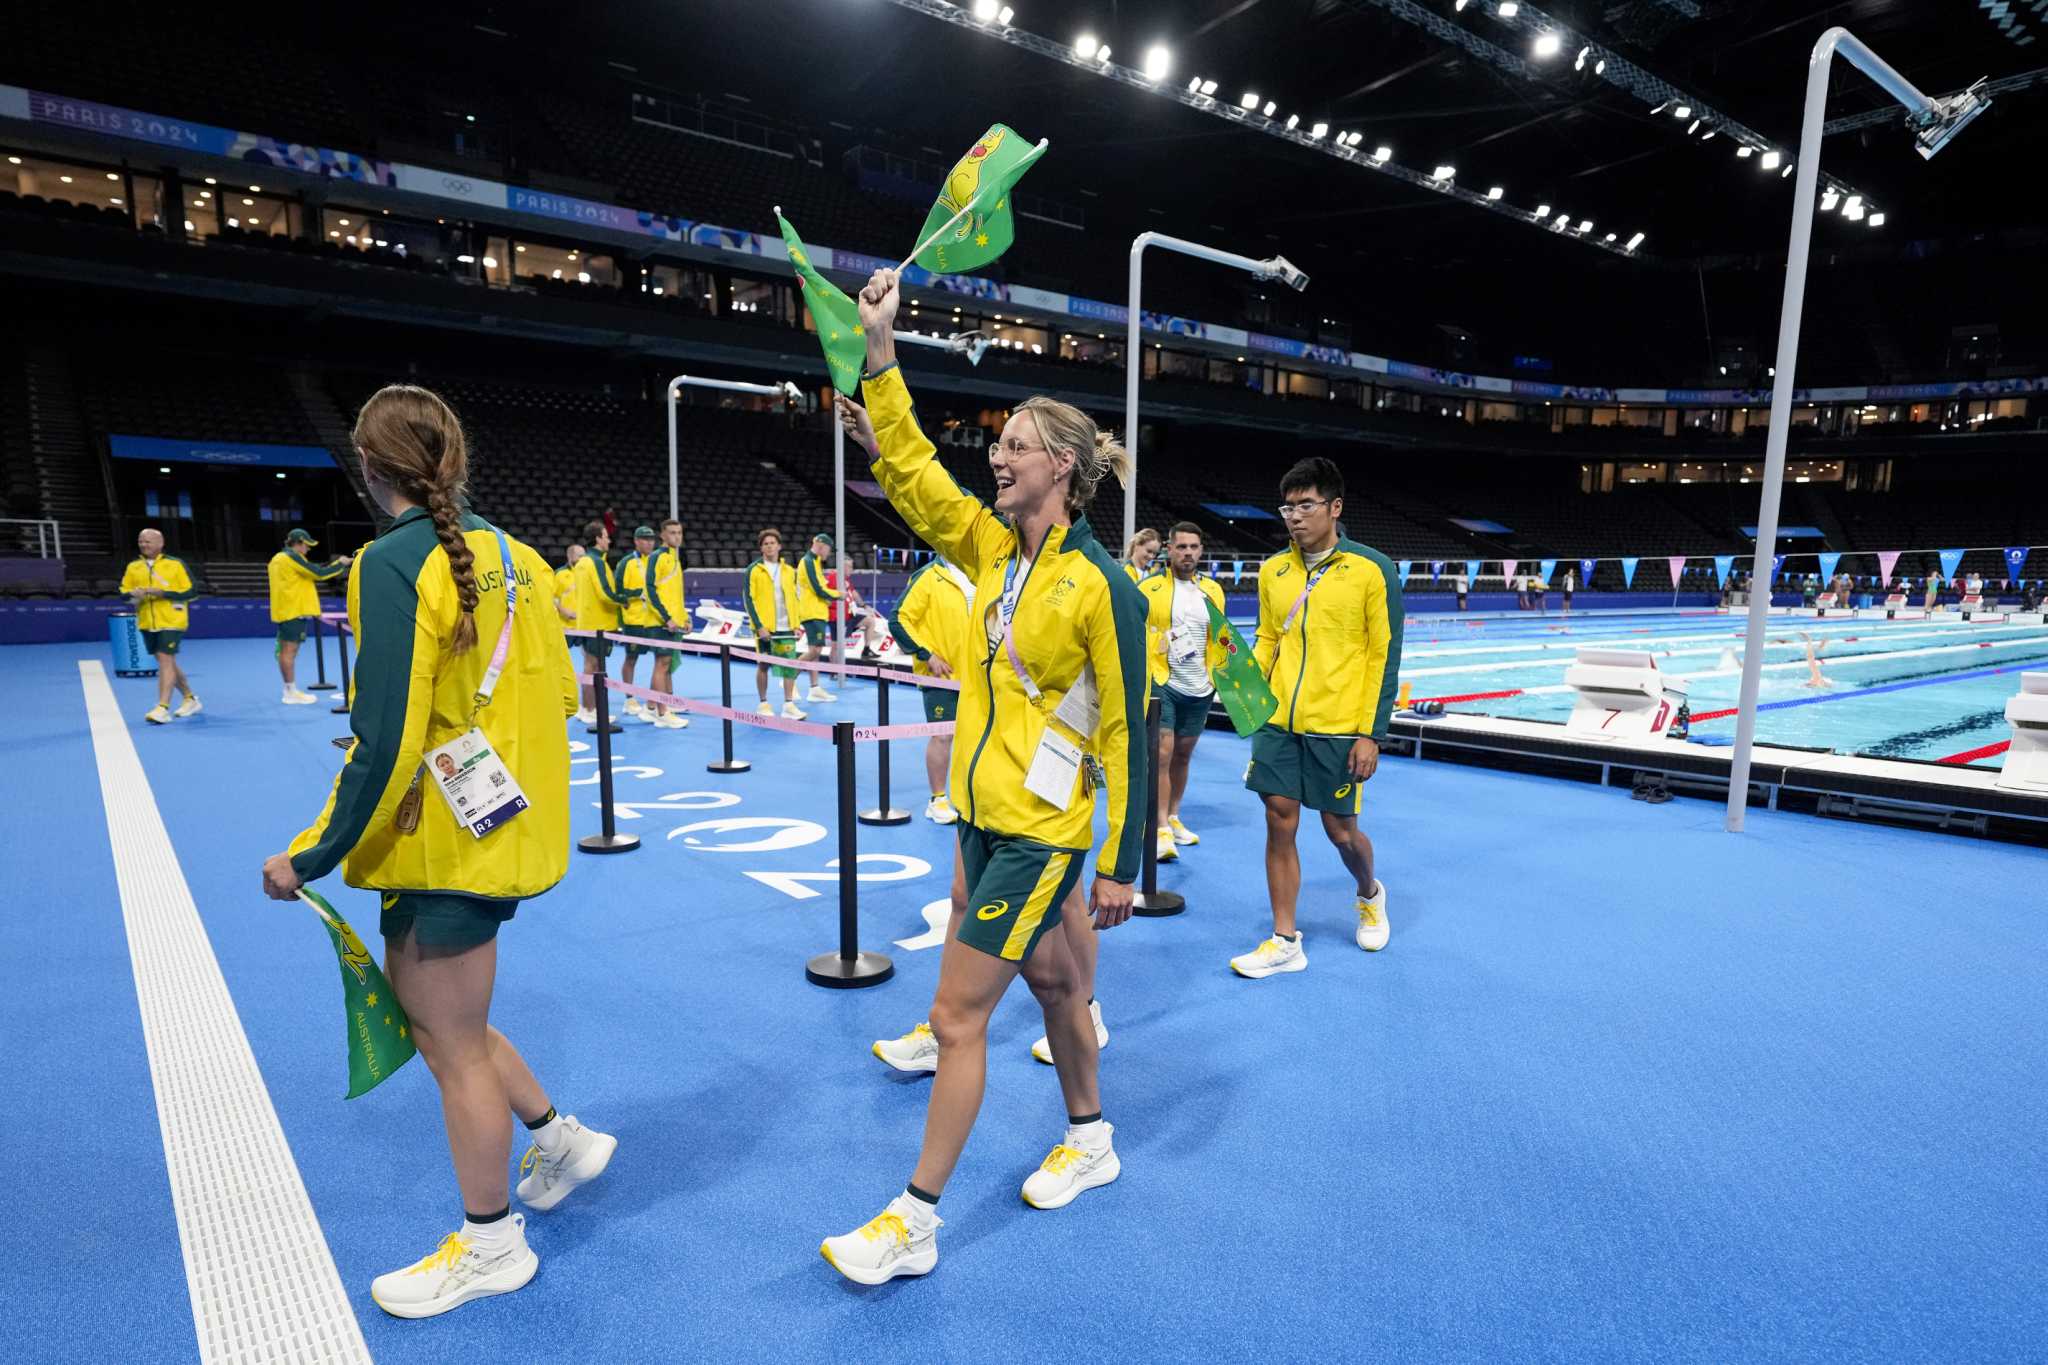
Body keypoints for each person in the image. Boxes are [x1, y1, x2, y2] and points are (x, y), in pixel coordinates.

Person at [258, 384, 612, 1320]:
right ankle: (561, 1140)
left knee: (447, 1043)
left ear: (371, 469)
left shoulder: (390, 563)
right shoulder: (525, 557)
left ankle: (492, 1243)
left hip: (439, 839)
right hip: (505, 827)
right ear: (454, 459)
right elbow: (562, 700)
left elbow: (382, 737)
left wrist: (314, 851)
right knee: (451, 1020)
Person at [821, 267, 1145, 1284]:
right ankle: (1090, 1139)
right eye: (996, 445)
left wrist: (1122, 863)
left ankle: (913, 1222)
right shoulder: (996, 554)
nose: (992, 457)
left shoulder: (1102, 586)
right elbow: (914, 475)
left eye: (1010, 445)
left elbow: (1128, 731)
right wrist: (881, 355)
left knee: (958, 1017)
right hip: (982, 815)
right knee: (1052, 984)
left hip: (1045, 833)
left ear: (1059, 464)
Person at [1232, 456, 1403, 979]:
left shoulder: (1372, 570)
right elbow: (1267, 638)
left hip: (1338, 726)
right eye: (1288, 507)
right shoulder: (1273, 570)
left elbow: (1383, 654)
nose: (1295, 516)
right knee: (1278, 819)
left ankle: (1369, 892)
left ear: (1335, 507)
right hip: (1279, 722)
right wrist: (1247, 693)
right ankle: (1285, 939)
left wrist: (1371, 733)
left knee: (1341, 832)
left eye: (1306, 505)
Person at [1137, 523, 1226, 863]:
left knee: (1183, 756)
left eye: (1194, 547)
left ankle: (1173, 817)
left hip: (1200, 686)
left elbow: (1221, 638)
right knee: (1161, 754)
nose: (1188, 553)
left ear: (1201, 551)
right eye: (1181, 547)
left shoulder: (1214, 591)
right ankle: (1158, 827)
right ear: (1169, 550)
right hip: (1164, 681)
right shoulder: (1150, 588)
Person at [889, 554, 976, 825]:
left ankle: (970, 797)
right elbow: (899, 620)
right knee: (942, 737)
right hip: (943, 675)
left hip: (979, 674)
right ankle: (937, 799)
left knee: (976, 737)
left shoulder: (982, 571)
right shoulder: (928, 575)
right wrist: (927, 654)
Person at [119, 527, 203, 723]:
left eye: (148, 541)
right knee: (167, 662)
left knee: (165, 658)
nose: (143, 544)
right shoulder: (133, 567)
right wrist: (134, 596)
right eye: (141, 541)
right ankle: (190, 699)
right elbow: (124, 594)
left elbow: (192, 592)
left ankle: (162, 708)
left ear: (160, 543)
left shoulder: (175, 564)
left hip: (172, 620)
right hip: (147, 620)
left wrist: (162, 593)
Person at [268, 527, 351, 705]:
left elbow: (309, 572)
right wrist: (340, 564)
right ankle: (290, 692)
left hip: (287, 610)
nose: (308, 549)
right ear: (297, 543)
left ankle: (289, 690)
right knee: (288, 652)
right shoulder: (290, 557)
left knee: (286, 651)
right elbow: (318, 573)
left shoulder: (279, 559)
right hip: (293, 611)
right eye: (306, 545)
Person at [570, 519, 634, 726]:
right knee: (593, 668)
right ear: (598, 539)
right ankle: (590, 709)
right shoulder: (595, 562)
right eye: (606, 536)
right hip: (597, 625)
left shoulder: (584, 562)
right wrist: (626, 599)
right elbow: (606, 593)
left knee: (590, 666)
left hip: (586, 623)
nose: (609, 540)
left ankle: (588, 708)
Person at [745, 528, 807, 719]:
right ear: (761, 548)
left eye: (773, 543)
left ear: (779, 546)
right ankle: (763, 703)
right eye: (765, 543)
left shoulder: (789, 571)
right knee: (763, 665)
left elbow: (795, 599)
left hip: (787, 628)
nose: (769, 546)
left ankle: (788, 705)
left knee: (789, 665)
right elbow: (749, 599)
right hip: (765, 629)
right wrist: (759, 626)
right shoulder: (753, 570)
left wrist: (797, 624)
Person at [640, 518, 689, 729]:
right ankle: (662, 713)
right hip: (660, 623)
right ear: (662, 535)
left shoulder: (675, 560)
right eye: (671, 533)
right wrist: (666, 618)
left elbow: (675, 596)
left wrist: (683, 618)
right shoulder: (657, 557)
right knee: (662, 665)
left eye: (678, 533)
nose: (676, 536)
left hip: (671, 622)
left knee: (663, 665)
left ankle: (651, 707)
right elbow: (650, 590)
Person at [615, 526, 662, 721]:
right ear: (636, 541)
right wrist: (636, 594)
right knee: (631, 658)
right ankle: (629, 698)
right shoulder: (626, 562)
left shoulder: (656, 561)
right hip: (634, 619)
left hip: (653, 619)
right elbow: (617, 591)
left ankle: (659, 701)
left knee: (660, 661)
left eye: (651, 540)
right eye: (645, 539)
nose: (649, 543)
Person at [794, 532, 844, 703]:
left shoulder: (815, 562)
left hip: (818, 611)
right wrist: (839, 595)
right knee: (815, 650)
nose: (829, 554)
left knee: (815, 651)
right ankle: (789, 676)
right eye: (829, 549)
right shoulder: (808, 561)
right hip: (812, 612)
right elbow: (818, 589)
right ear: (822, 545)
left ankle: (814, 689)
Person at [551, 543, 584, 626]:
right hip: (566, 627)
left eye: (584, 556)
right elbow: (552, 597)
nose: (583, 559)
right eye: (580, 556)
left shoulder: (586, 573)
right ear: (570, 556)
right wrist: (563, 611)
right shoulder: (559, 574)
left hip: (585, 626)